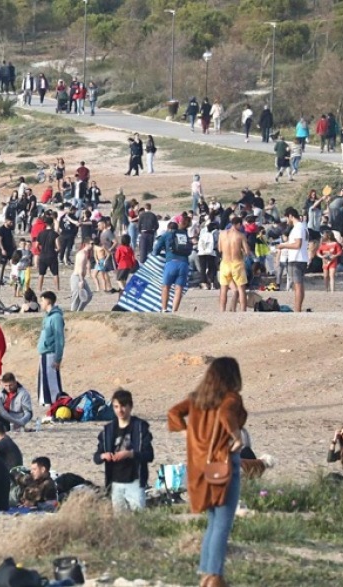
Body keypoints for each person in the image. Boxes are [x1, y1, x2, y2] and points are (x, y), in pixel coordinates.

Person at [168, 357, 247, 587]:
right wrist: (237, 437)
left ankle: (206, 575)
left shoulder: (197, 399)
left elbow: (173, 413)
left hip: (200, 467)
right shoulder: (231, 398)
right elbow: (225, 415)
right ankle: (215, 577)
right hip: (223, 464)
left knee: (213, 522)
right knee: (223, 522)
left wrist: (187, 433)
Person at [92, 389, 154, 513]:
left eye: (123, 406)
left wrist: (130, 454)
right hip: (115, 483)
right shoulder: (108, 430)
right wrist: (104, 455)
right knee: (120, 522)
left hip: (135, 481)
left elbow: (149, 455)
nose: (120, 410)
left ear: (130, 406)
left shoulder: (140, 427)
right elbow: (96, 458)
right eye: (116, 407)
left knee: (139, 519)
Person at [276, 207, 308, 312]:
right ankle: (298, 308)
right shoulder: (303, 227)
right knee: (300, 285)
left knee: (297, 286)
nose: (287, 221)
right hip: (302, 258)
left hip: (296, 259)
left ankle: (297, 310)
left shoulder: (298, 228)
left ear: (290, 216)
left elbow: (297, 244)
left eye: (287, 218)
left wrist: (283, 246)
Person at [37, 291, 65, 407]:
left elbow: (59, 339)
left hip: (51, 353)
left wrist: (58, 359)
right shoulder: (47, 317)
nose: (41, 303)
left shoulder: (56, 317)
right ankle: (48, 404)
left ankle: (55, 405)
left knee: (52, 382)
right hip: (44, 353)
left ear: (48, 301)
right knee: (44, 381)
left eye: (42, 300)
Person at [218, 216, 251, 312]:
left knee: (223, 289)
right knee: (241, 289)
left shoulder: (222, 234)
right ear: (239, 224)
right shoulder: (240, 235)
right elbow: (247, 251)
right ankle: (243, 310)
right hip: (237, 263)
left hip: (225, 263)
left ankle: (222, 310)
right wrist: (240, 250)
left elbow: (220, 249)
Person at [70, 238, 93, 311]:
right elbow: (80, 268)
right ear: (86, 244)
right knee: (76, 298)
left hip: (81, 277)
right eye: (91, 244)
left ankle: (79, 311)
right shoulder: (82, 254)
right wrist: (81, 280)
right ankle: (73, 313)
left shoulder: (86, 253)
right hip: (77, 277)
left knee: (88, 295)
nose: (92, 245)